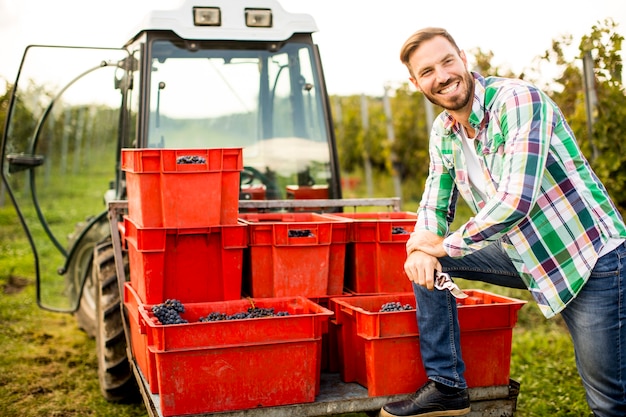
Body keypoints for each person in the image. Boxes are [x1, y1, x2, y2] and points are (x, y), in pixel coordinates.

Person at [380, 27, 626, 417]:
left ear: (463, 57)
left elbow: (516, 201)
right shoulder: (444, 131)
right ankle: (447, 386)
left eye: (447, 61)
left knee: (609, 399)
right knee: (426, 264)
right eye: (427, 71)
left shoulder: (519, 101)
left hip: (588, 257)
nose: (441, 76)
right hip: (525, 251)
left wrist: (442, 245)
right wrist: (419, 247)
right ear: (416, 82)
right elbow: (434, 201)